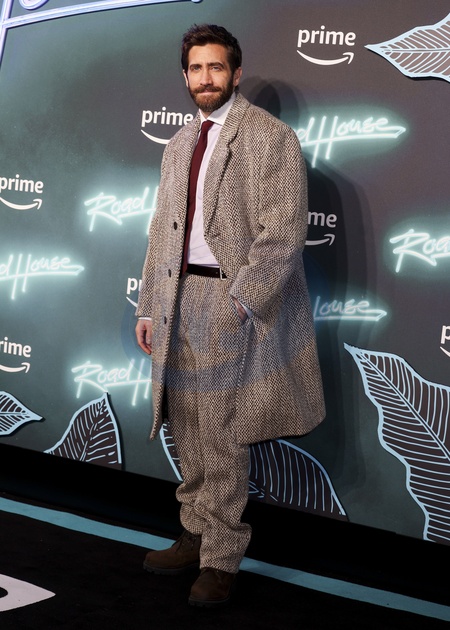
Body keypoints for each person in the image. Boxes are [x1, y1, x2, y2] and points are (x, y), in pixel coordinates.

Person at [135, 23, 325, 607]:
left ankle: (221, 558)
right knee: (186, 425)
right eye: (196, 68)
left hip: (231, 299)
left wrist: (242, 301)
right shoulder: (178, 144)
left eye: (215, 67)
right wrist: (149, 304)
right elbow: (162, 234)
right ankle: (194, 533)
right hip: (177, 296)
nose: (205, 78)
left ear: (236, 73)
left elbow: (282, 234)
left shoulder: (271, 138)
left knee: (220, 433)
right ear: (185, 76)